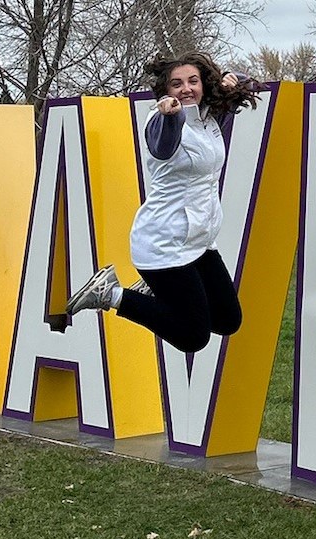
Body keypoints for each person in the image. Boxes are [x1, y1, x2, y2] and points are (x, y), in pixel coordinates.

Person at [65, 52, 263, 354]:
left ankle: (154, 292)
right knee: (192, 338)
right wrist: (170, 114)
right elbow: (162, 144)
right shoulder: (161, 121)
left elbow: (246, 81)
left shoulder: (209, 117)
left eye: (192, 81)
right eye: (176, 84)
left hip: (198, 240)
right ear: (166, 91)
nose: (185, 89)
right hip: (164, 243)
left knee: (227, 319)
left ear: (204, 83)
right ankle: (111, 294)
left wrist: (229, 79)